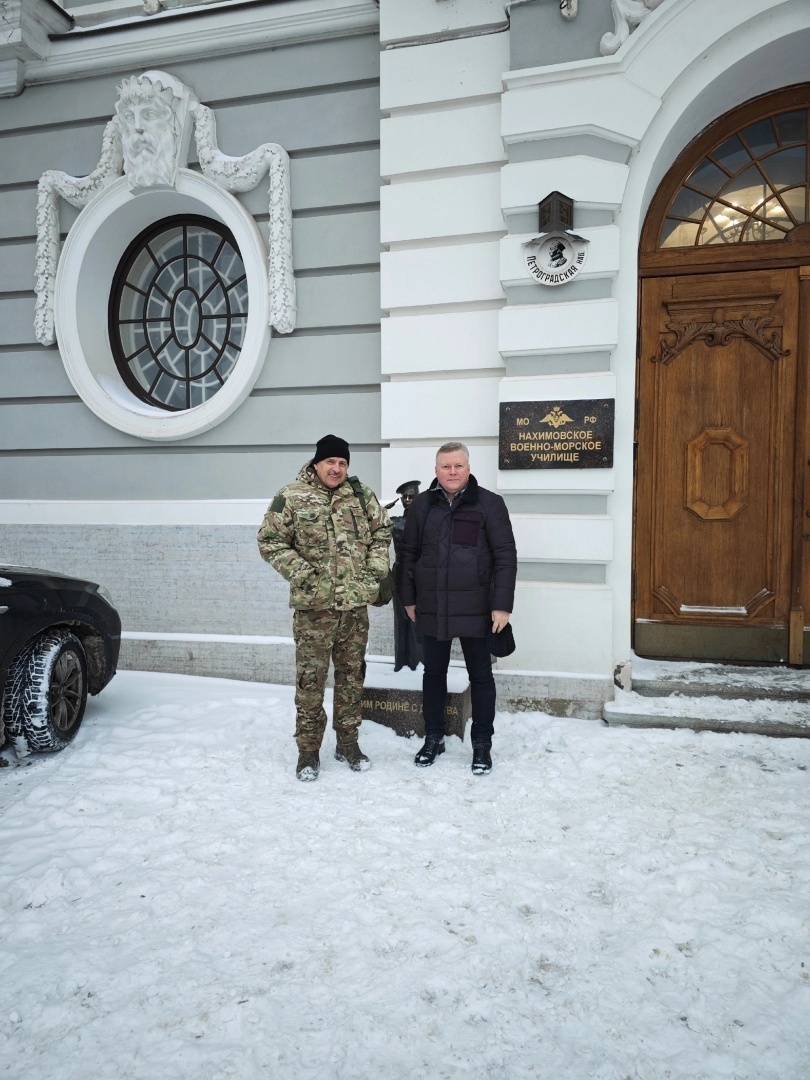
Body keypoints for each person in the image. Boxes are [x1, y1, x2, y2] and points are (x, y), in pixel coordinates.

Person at [257, 435, 392, 781]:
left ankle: (348, 743)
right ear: (316, 463)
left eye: (343, 463)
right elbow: (269, 541)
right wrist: (305, 576)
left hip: (354, 611)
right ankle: (308, 751)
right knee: (310, 682)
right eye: (330, 462)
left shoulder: (361, 497)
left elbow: (382, 533)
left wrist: (372, 576)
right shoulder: (291, 496)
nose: (337, 468)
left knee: (351, 679)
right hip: (313, 612)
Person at [397, 442, 516, 774]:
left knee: (481, 677)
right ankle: (433, 737)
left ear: (468, 468)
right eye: (445, 467)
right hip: (432, 607)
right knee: (433, 675)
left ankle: (481, 744)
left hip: (478, 609)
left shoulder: (490, 505)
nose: (452, 472)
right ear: (436, 471)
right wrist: (408, 599)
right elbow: (407, 556)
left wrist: (502, 606)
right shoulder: (422, 506)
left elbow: (506, 557)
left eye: (458, 466)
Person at [390, 480, 423, 673]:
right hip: (399, 572)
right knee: (400, 618)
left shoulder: (426, 520)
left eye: (412, 496)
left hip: (419, 574)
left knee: (418, 618)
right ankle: (401, 660)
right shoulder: (395, 522)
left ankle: (418, 661)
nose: (408, 500)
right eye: (405, 497)